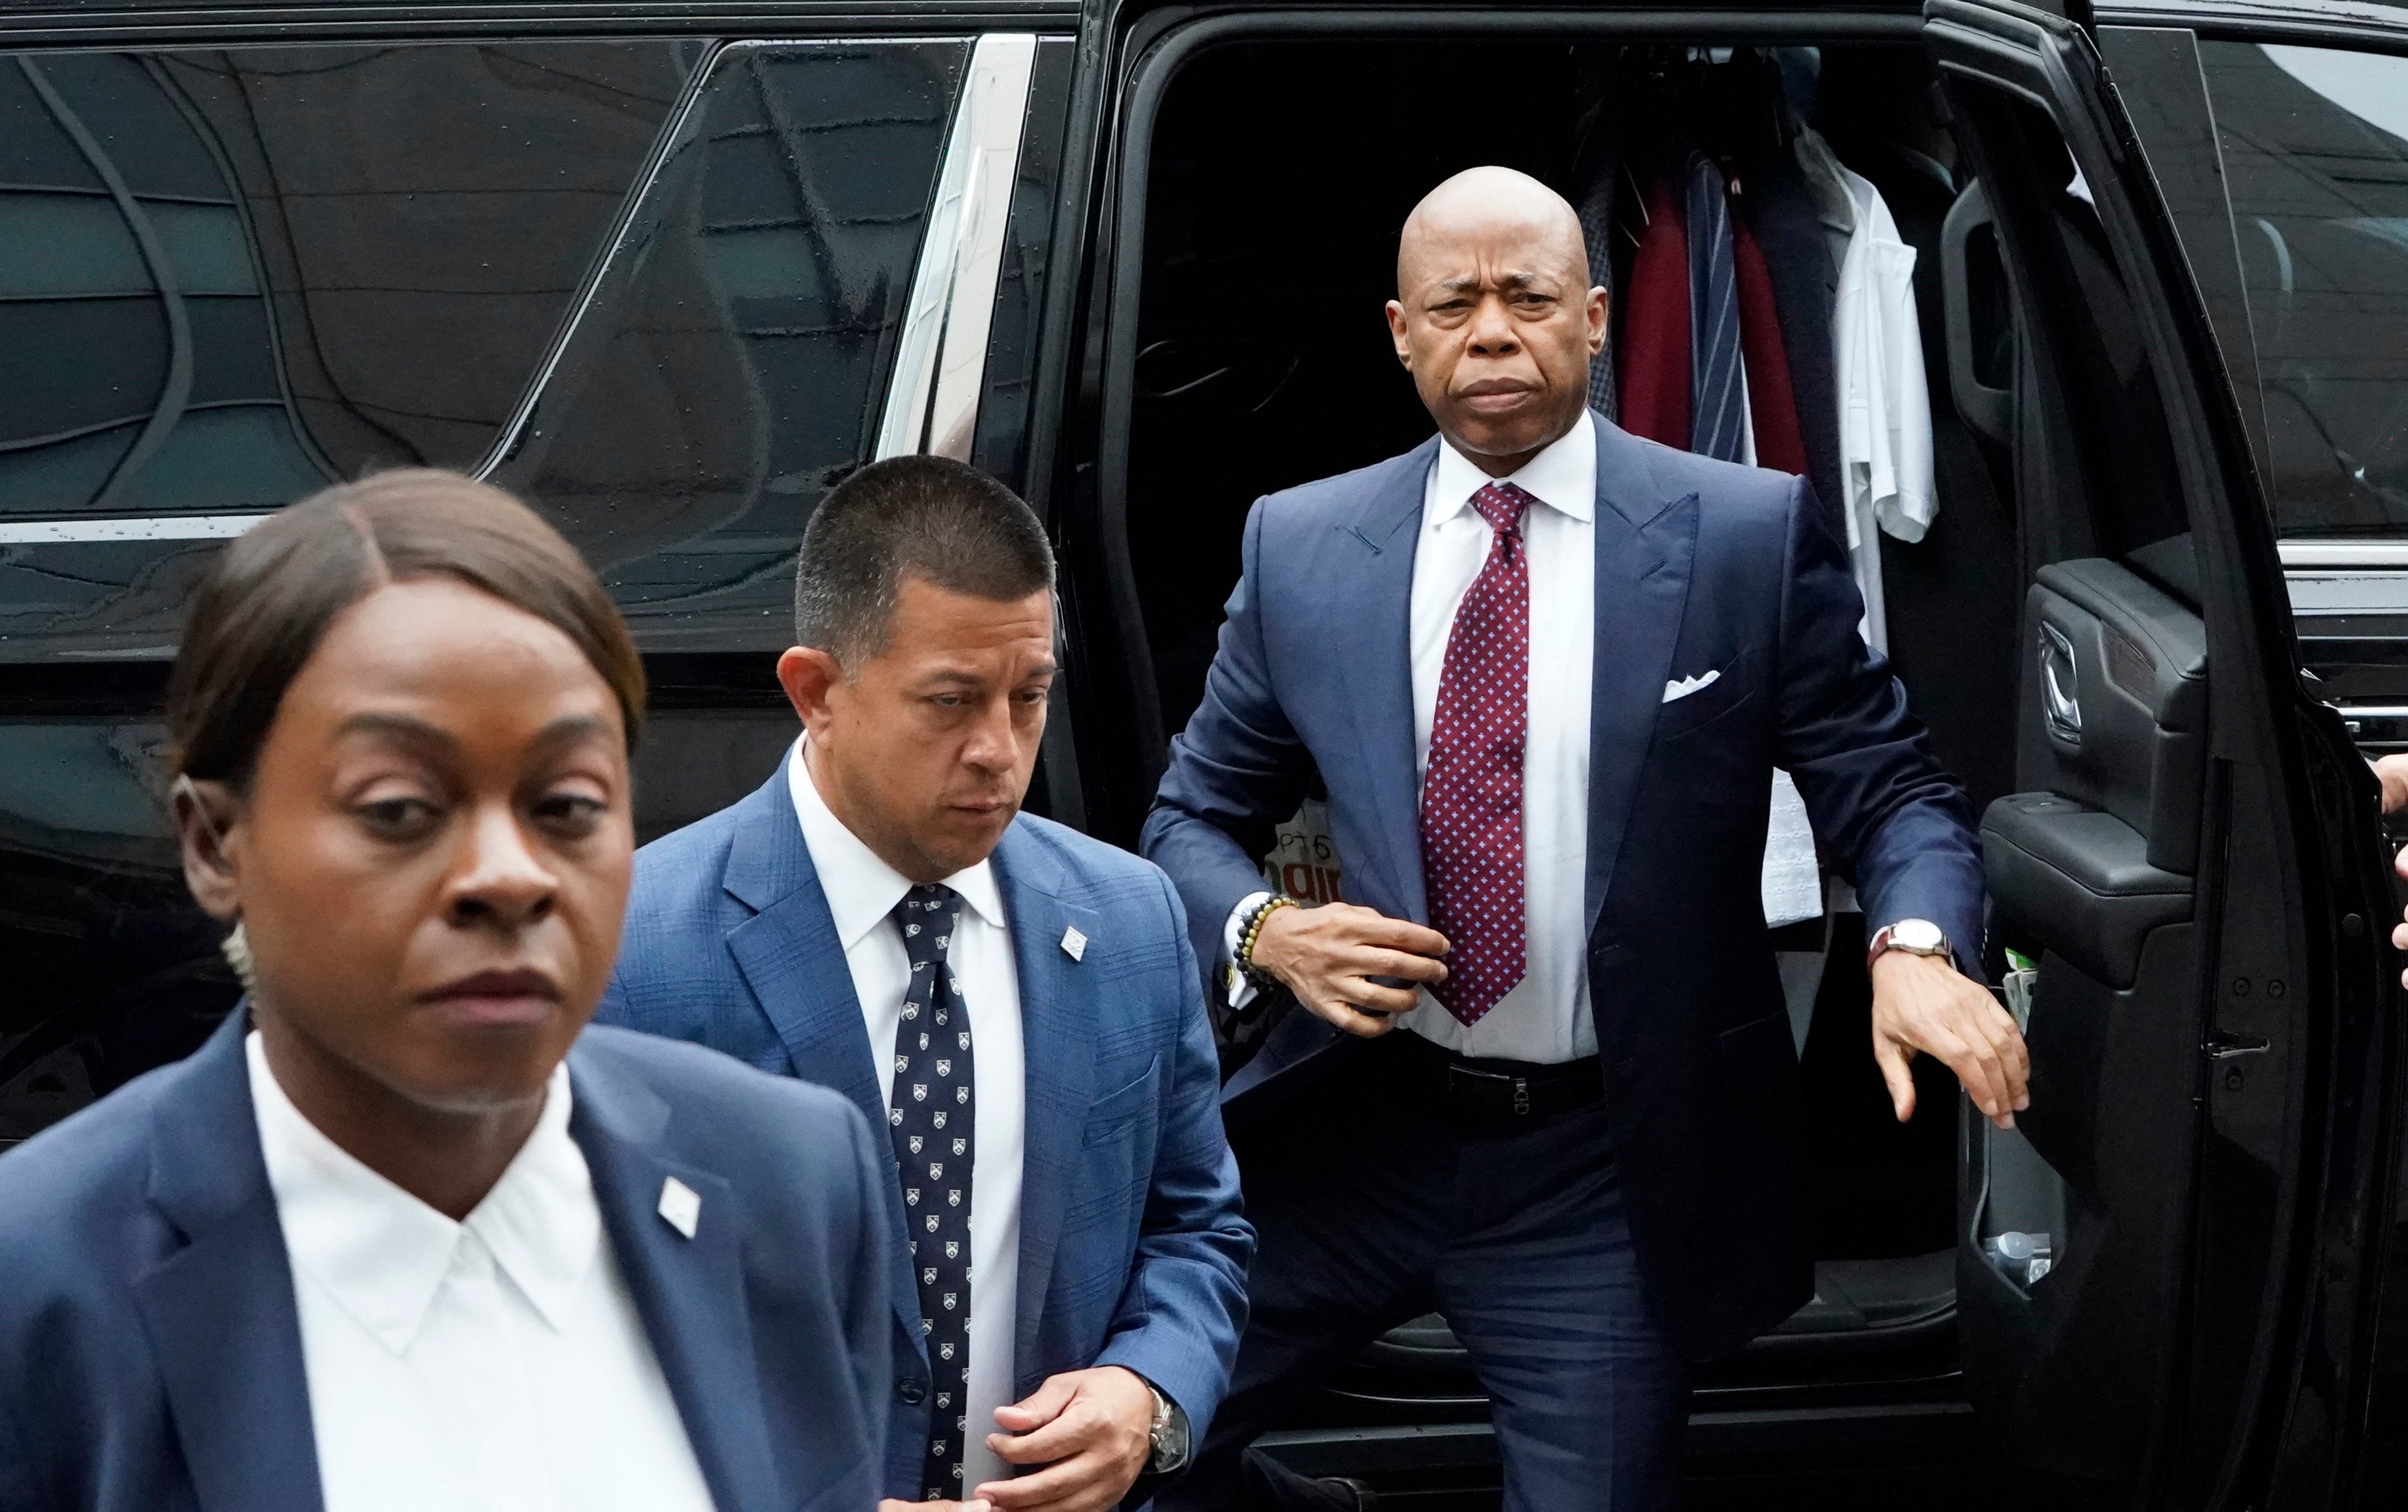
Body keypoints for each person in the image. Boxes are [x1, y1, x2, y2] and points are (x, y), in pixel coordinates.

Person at [1142, 167, 2030, 1510]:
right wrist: (1268, 933)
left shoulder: (1738, 533)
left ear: (1598, 318)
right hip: (1353, 1133)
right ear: (1398, 331)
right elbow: (1188, 817)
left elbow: (1892, 790)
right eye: (1453, 304)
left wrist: (1913, 947)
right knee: (1110, 1440)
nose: (1490, 333)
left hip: (1601, 1165)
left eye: (1527, 298)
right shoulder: (1304, 546)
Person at [0, 471, 894, 1512]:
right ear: (214, 845)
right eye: (399, 808)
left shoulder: (794, 1178)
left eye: (566, 804)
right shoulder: (45, 1285)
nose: (507, 875)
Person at [600, 455, 1252, 1512]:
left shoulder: (1128, 920)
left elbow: (1196, 1231)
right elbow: (573, 1327)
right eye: (950, 702)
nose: (999, 751)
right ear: (815, 691)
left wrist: (1147, 1394)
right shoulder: (636, 951)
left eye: (1029, 696)